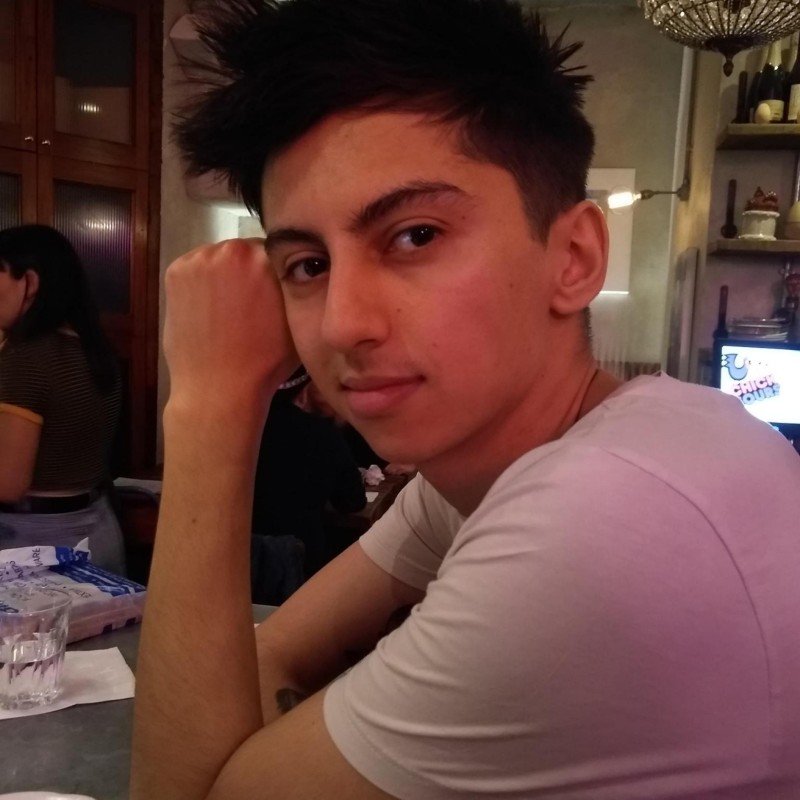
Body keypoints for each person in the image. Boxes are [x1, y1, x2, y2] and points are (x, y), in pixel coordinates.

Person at [130, 0, 800, 798]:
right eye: (307, 265)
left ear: (574, 257)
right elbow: (274, 650)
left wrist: (209, 405)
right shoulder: (513, 457)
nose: (342, 323)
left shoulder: (601, 519)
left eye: (415, 235)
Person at [0, 224, 124, 574]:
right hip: (99, 528)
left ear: (30, 282)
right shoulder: (95, 350)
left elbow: (8, 483)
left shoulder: (25, 358)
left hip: (36, 544)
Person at [252, 369, 366, 578]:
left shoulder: (246, 431)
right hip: (303, 562)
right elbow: (353, 502)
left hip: (245, 561)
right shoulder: (323, 434)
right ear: (304, 390)